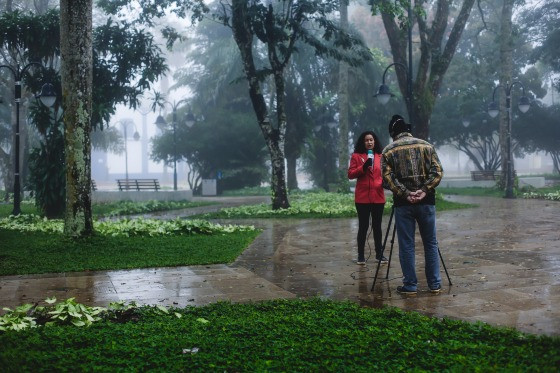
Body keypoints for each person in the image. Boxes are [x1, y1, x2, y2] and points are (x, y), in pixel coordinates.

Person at [381, 115, 444, 295]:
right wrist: (424, 190)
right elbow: (437, 171)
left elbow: (387, 178)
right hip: (427, 202)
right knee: (430, 243)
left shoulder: (388, 151)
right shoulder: (426, 146)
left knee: (406, 245)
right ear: (408, 130)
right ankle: (434, 284)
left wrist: (406, 193)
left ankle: (410, 285)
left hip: (403, 204)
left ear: (393, 133)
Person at [347, 131, 387, 265]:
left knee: (377, 227)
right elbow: (351, 174)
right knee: (363, 226)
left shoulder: (381, 157)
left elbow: (386, 174)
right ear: (362, 142)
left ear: (375, 142)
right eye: (366, 140)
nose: (369, 142)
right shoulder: (356, 156)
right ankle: (361, 256)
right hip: (362, 198)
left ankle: (379, 254)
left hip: (378, 197)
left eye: (371, 140)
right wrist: (362, 167)